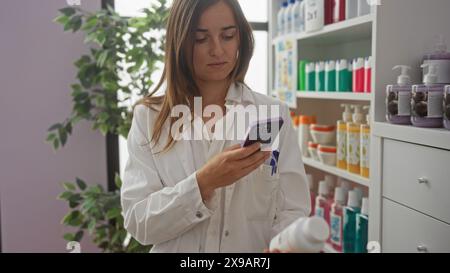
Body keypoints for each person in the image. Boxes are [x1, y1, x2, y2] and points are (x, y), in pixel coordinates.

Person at [121, 0, 310, 253]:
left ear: (240, 39)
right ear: (180, 43)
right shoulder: (150, 118)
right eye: (201, 39)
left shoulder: (270, 116)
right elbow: (138, 222)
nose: (217, 50)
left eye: (228, 35)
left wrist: (284, 244)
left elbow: (293, 208)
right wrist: (202, 183)